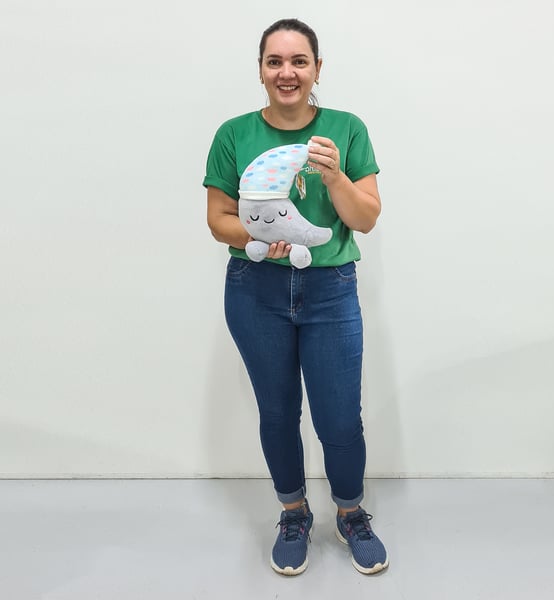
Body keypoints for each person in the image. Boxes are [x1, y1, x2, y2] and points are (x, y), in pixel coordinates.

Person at [203, 18, 388, 576]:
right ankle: (293, 513)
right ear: (261, 70)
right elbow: (218, 219)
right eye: (275, 61)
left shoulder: (346, 129)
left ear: (317, 69)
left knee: (340, 417)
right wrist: (259, 238)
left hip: (331, 290)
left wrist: (334, 179)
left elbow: (366, 219)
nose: (287, 72)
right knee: (278, 412)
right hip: (255, 289)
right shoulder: (233, 134)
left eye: (299, 61)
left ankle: (351, 513)